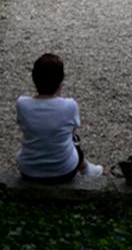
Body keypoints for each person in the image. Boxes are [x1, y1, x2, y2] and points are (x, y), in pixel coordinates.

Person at [16, 53, 89, 184]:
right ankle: (86, 168)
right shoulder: (69, 105)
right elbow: (73, 127)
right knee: (72, 138)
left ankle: (87, 168)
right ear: (60, 81)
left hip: (28, 171)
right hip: (64, 171)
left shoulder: (22, 104)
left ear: (34, 79)